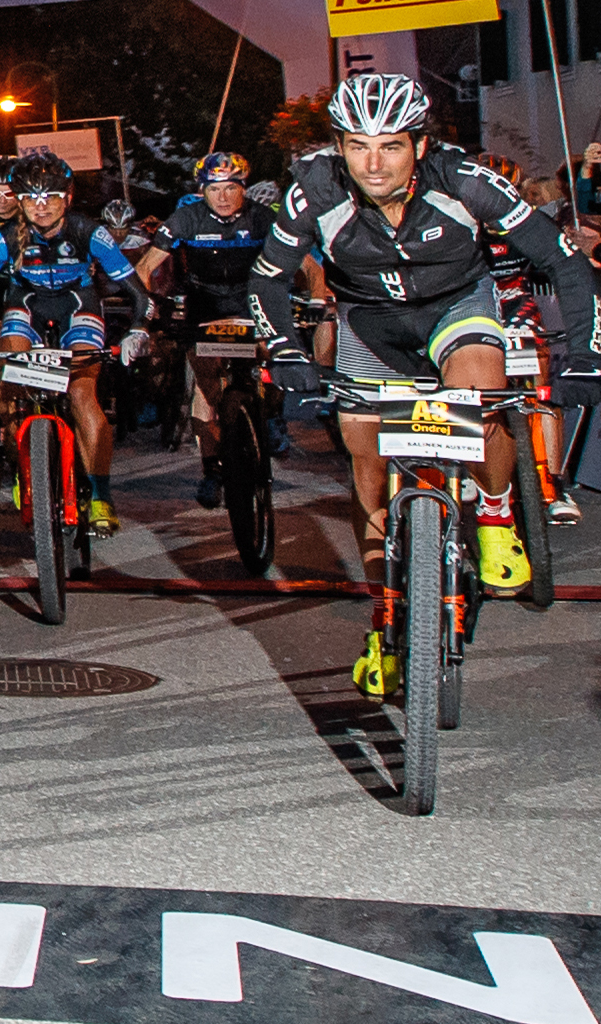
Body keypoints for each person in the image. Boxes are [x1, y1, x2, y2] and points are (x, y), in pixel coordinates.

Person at [245, 74, 601, 697]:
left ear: (419, 144)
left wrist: (586, 358)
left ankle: (493, 513)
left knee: (479, 402)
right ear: (339, 147)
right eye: (357, 146)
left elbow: (564, 260)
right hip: (368, 325)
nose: (373, 163)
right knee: (366, 466)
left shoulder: (465, 181)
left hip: (454, 311)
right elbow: (268, 280)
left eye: (390, 145)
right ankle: (385, 620)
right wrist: (286, 352)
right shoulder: (313, 189)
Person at [0, 153, 155, 536]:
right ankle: (26, 467)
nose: (41, 206)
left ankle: (101, 495)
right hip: (26, 307)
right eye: (31, 198)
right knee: (8, 391)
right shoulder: (2, 238)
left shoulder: (89, 232)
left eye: (50, 197)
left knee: (84, 394)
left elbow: (139, 294)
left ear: (67, 198)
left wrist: (138, 329)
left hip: (78, 307)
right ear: (19, 201)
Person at [135, 151, 284, 508]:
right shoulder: (186, 218)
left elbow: (307, 267)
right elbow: (144, 268)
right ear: (202, 190)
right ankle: (211, 468)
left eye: (231, 187)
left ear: (243, 189)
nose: (223, 196)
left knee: (272, 353)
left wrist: (318, 298)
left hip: (251, 301)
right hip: (204, 305)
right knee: (205, 388)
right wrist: (149, 308)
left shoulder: (263, 218)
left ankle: (272, 414)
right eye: (214, 188)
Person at [472, 154, 578, 525]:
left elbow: (563, 262)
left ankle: (553, 483)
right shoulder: (457, 227)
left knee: (542, 385)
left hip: (517, 304)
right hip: (471, 308)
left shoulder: (530, 224)